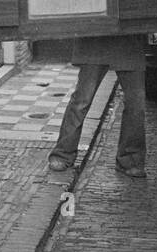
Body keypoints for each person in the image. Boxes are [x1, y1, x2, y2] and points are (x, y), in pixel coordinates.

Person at [48, 35, 149, 178]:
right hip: (95, 43)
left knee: (136, 104)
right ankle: (63, 154)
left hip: (129, 44)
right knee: (81, 101)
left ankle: (131, 160)